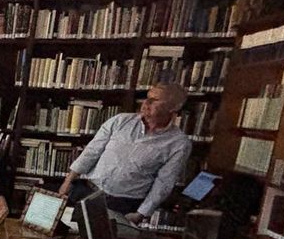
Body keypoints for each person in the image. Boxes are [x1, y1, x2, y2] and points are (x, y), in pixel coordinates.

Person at [59, 83, 193, 223]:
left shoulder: (179, 143)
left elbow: (164, 183)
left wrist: (141, 214)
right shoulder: (120, 121)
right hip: (87, 191)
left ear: (173, 107)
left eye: (155, 100)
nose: (146, 103)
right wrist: (68, 181)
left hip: (123, 204)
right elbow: (91, 151)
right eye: (147, 98)